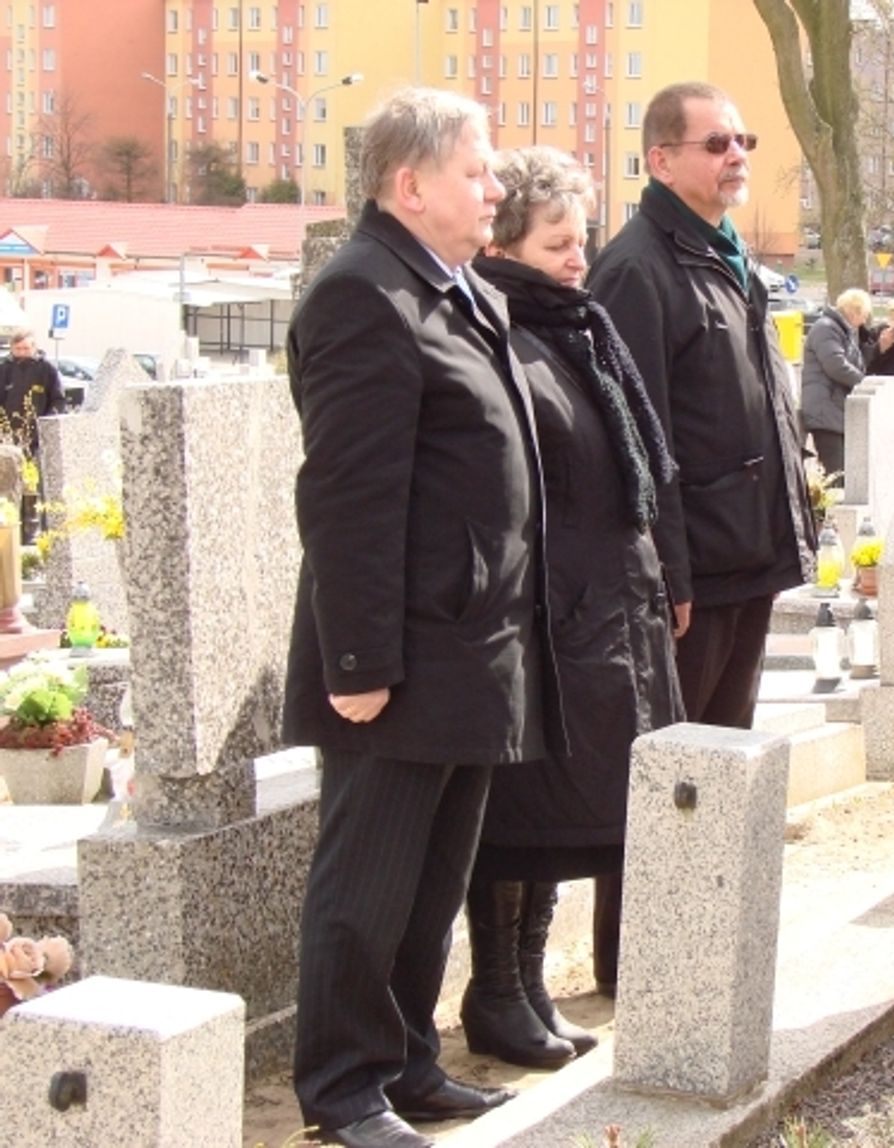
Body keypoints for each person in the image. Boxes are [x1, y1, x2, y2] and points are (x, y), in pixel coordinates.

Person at [284, 89, 557, 1148]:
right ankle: (344, 1087)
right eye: (476, 172)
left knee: (432, 880)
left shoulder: (454, 287)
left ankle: (405, 1059)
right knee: (367, 884)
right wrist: (358, 658)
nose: (495, 188)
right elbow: (347, 497)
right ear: (410, 185)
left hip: (470, 642)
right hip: (397, 656)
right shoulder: (363, 294)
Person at [465, 145, 683, 1065]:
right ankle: (495, 990)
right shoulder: (503, 335)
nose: (577, 258)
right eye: (557, 243)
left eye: (580, 239)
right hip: (549, 614)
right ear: (505, 245)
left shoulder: (576, 328)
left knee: (570, 806)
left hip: (603, 606)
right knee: (524, 812)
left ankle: (529, 981)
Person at [587, 81, 816, 735]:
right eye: (716, 143)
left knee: (729, 757)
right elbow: (636, 437)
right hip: (696, 576)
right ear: (661, 161)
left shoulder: (728, 252)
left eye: (743, 140)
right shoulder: (636, 269)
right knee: (680, 759)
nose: (736, 155)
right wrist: (669, 573)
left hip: (748, 554)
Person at [800, 287, 872, 479]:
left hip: (835, 410)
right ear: (853, 312)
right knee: (837, 473)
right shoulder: (826, 328)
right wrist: (865, 384)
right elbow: (835, 365)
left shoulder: (843, 331)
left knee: (845, 473)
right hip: (825, 411)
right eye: (864, 315)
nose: (864, 321)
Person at [0, 330, 67, 453]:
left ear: (34, 348)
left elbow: (58, 400)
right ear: (12, 349)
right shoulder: (4, 369)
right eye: (18, 349)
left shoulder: (47, 369)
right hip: (7, 435)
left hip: (37, 436)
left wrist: (47, 424)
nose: (22, 353)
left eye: (26, 348)